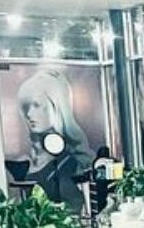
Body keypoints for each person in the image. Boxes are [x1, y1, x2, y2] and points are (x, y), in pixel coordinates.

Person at [16, 68, 92, 210]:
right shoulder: (24, 161)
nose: (30, 114)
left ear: (56, 106)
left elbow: (75, 203)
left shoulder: (71, 162)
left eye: (37, 105)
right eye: (27, 107)